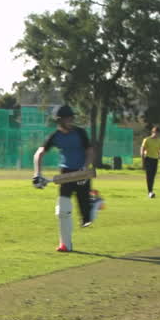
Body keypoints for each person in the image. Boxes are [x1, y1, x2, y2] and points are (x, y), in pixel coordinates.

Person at [32, 105, 96, 252]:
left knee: (86, 218)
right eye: (67, 118)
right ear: (59, 120)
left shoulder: (80, 133)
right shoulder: (55, 136)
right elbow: (39, 153)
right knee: (62, 210)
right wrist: (37, 173)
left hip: (81, 172)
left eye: (71, 118)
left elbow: (90, 152)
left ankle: (94, 202)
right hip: (65, 173)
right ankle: (65, 244)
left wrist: (85, 168)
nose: (70, 120)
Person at [140, 125, 160, 198]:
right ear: (153, 132)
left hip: (155, 159)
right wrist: (143, 162)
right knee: (149, 176)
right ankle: (150, 192)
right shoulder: (147, 139)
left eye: (158, 133)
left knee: (153, 176)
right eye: (156, 133)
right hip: (148, 159)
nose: (157, 134)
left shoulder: (159, 140)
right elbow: (142, 150)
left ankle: (151, 191)